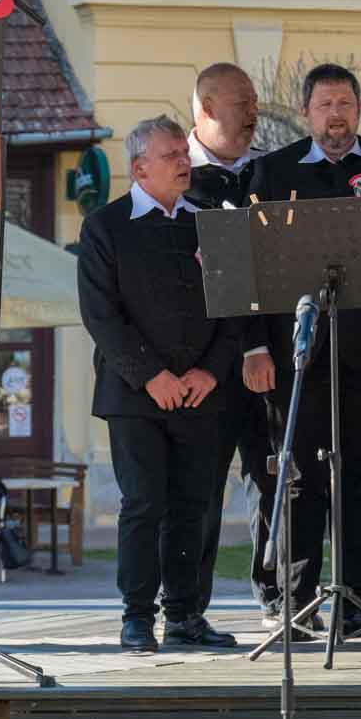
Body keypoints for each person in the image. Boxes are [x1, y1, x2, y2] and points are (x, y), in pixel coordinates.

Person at [242, 63, 361, 642]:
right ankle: (297, 605)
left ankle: (358, 604)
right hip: (295, 355)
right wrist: (254, 346)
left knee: (360, 478)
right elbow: (248, 270)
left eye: (345, 103)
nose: (336, 115)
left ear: (358, 109)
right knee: (299, 479)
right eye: (324, 104)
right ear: (306, 113)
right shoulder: (271, 172)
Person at [80, 115, 241, 653]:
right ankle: (137, 617)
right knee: (144, 503)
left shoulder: (211, 224)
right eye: (171, 154)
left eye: (183, 153)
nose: (183, 162)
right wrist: (152, 376)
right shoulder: (106, 226)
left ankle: (185, 615)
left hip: (199, 391)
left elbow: (234, 309)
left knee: (193, 505)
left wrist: (209, 371)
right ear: (139, 168)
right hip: (134, 395)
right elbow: (101, 316)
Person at [182, 63, 282, 628]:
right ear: (206, 109)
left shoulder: (270, 174)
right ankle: (187, 608)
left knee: (273, 478)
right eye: (242, 102)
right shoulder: (175, 177)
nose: (253, 113)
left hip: (271, 360)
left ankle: (277, 593)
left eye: (255, 102)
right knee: (199, 486)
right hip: (205, 364)